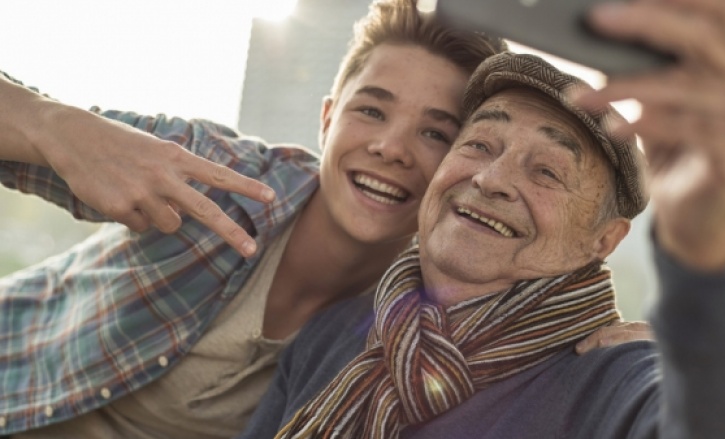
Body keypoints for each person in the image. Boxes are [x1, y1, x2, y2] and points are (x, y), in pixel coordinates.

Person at [238, 0, 725, 437]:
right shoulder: (332, 337)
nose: (491, 179)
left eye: (546, 171)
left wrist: (710, 239)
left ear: (604, 240)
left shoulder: (614, 379)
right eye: (477, 143)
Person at [0, 1, 509, 437]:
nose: (391, 148)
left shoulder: (424, 317)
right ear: (328, 118)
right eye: (372, 111)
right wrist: (57, 127)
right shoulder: (212, 174)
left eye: (436, 134)